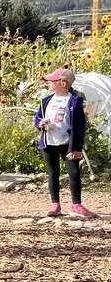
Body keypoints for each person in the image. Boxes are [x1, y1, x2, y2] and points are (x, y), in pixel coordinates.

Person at [35, 68, 96, 219]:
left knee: (74, 173)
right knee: (52, 173)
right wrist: (39, 123)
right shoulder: (46, 101)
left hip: (67, 143)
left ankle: (76, 204)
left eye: (52, 81)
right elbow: (38, 117)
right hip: (49, 142)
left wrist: (76, 147)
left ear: (63, 83)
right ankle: (55, 204)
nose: (48, 83)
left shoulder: (74, 101)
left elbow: (79, 125)